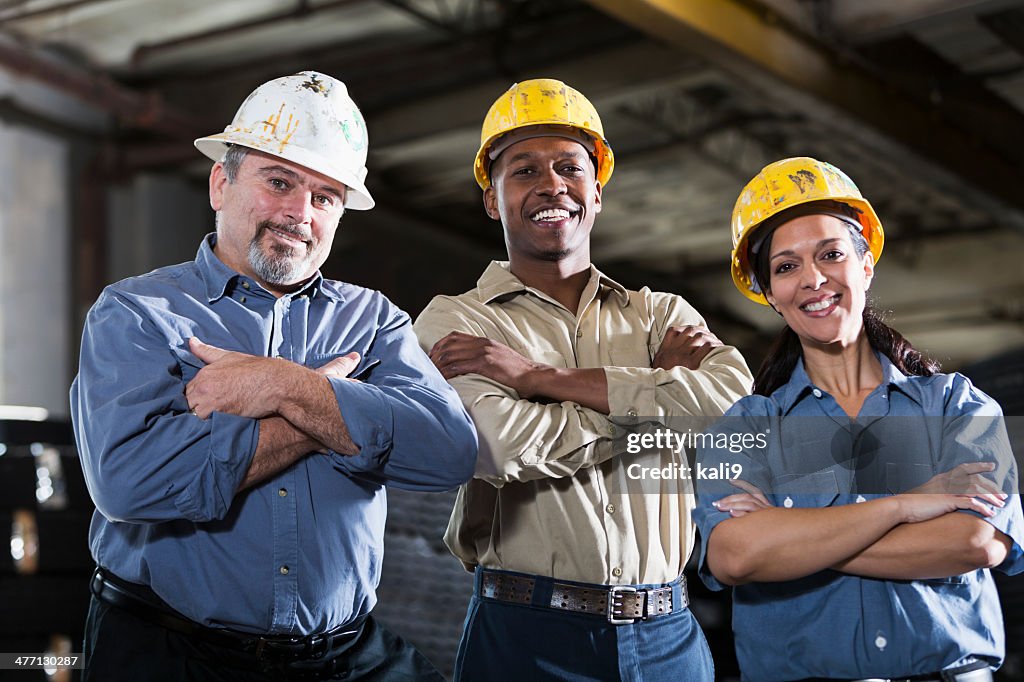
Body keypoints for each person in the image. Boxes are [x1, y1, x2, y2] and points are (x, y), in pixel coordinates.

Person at [70, 71, 477, 682]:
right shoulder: (138, 312)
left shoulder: (373, 320)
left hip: (342, 655)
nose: (299, 213)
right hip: (169, 650)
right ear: (220, 182)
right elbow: (130, 483)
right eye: (279, 182)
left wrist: (283, 387)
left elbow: (448, 453)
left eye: (325, 197)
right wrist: (338, 407)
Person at [413, 78, 753, 681]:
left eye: (570, 166)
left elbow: (732, 410)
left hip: (668, 634)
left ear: (596, 192)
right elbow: (500, 446)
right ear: (492, 200)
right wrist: (655, 390)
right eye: (523, 170)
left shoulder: (663, 314)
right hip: (527, 635)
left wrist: (541, 379)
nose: (551, 185)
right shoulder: (455, 320)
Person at [693, 156, 1024, 681]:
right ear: (771, 296)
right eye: (786, 266)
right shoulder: (745, 428)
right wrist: (907, 506)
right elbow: (735, 557)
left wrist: (790, 539)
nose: (813, 279)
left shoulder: (955, 406)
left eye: (831, 254)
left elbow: (975, 541)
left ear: (865, 265)